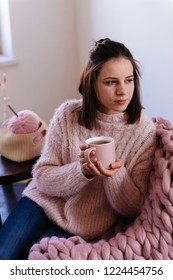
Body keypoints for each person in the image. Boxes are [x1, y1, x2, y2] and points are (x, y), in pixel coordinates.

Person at [0, 38, 157, 260]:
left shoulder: (144, 132)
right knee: (4, 255)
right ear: (93, 82)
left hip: (84, 222)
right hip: (42, 201)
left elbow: (134, 207)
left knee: (31, 262)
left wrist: (114, 174)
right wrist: (81, 171)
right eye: (111, 82)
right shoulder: (67, 115)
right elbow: (42, 176)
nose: (123, 91)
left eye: (129, 80)